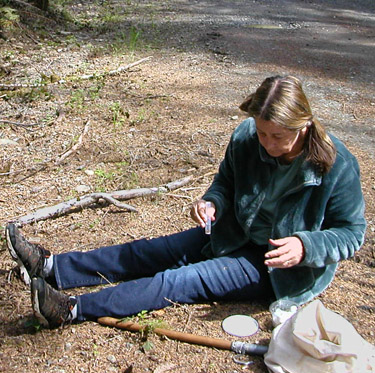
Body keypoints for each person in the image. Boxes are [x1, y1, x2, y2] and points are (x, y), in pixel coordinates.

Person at [6, 75, 366, 329]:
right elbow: (225, 182)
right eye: (262, 133)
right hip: (232, 233)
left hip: (274, 265)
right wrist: (212, 203)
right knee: (147, 251)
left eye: (279, 137)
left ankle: (71, 308)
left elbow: (352, 233)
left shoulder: (336, 165)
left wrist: (305, 246)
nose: (268, 144)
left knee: (177, 281)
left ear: (304, 126)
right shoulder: (246, 137)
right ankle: (53, 266)